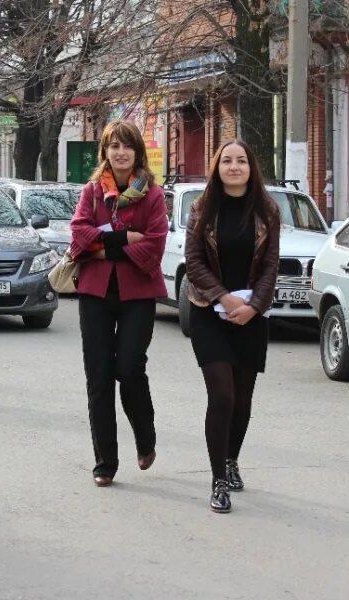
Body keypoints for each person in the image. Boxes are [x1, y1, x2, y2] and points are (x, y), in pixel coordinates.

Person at [69, 120, 168, 487]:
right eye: (113, 146)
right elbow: (78, 234)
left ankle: (145, 436)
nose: (120, 152)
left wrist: (103, 244)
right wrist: (125, 237)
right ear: (105, 152)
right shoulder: (93, 191)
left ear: (137, 152)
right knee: (98, 376)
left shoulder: (152, 195)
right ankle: (105, 461)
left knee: (128, 368)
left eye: (127, 146)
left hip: (138, 295)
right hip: (95, 293)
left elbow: (155, 245)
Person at [184, 140, 280, 514]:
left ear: (251, 168)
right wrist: (224, 298)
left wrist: (254, 306)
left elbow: (271, 265)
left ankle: (231, 460)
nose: (234, 166)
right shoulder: (202, 208)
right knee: (222, 395)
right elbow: (193, 262)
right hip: (209, 311)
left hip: (252, 318)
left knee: (242, 400)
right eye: (227, 160)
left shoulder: (267, 211)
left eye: (241, 160)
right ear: (217, 167)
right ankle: (217, 480)